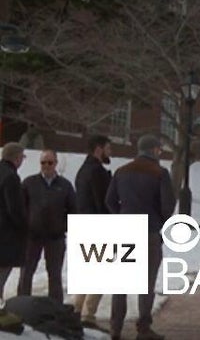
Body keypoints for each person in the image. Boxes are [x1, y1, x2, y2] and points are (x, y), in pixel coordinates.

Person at [106, 135, 175, 340]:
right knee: (146, 283)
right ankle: (143, 329)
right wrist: (158, 221)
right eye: (159, 149)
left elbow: (109, 200)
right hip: (149, 232)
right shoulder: (160, 173)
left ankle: (115, 328)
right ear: (153, 150)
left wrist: (122, 215)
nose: (160, 153)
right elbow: (168, 206)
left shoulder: (121, 171)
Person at [18, 149, 76, 302]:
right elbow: (20, 207)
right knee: (26, 272)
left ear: (55, 163)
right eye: (43, 162)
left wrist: (63, 226)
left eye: (50, 163)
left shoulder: (65, 185)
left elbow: (73, 209)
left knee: (55, 275)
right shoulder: (29, 183)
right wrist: (26, 225)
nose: (46, 166)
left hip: (55, 237)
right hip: (32, 236)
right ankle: (22, 305)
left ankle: (55, 307)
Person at [73, 134, 113, 326]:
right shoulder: (97, 172)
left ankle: (77, 310)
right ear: (99, 149)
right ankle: (88, 315)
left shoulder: (82, 170)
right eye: (108, 148)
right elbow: (103, 202)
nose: (110, 152)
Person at [0, 143, 28, 298]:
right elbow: (15, 210)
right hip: (5, 238)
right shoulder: (11, 177)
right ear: (17, 158)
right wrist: (25, 227)